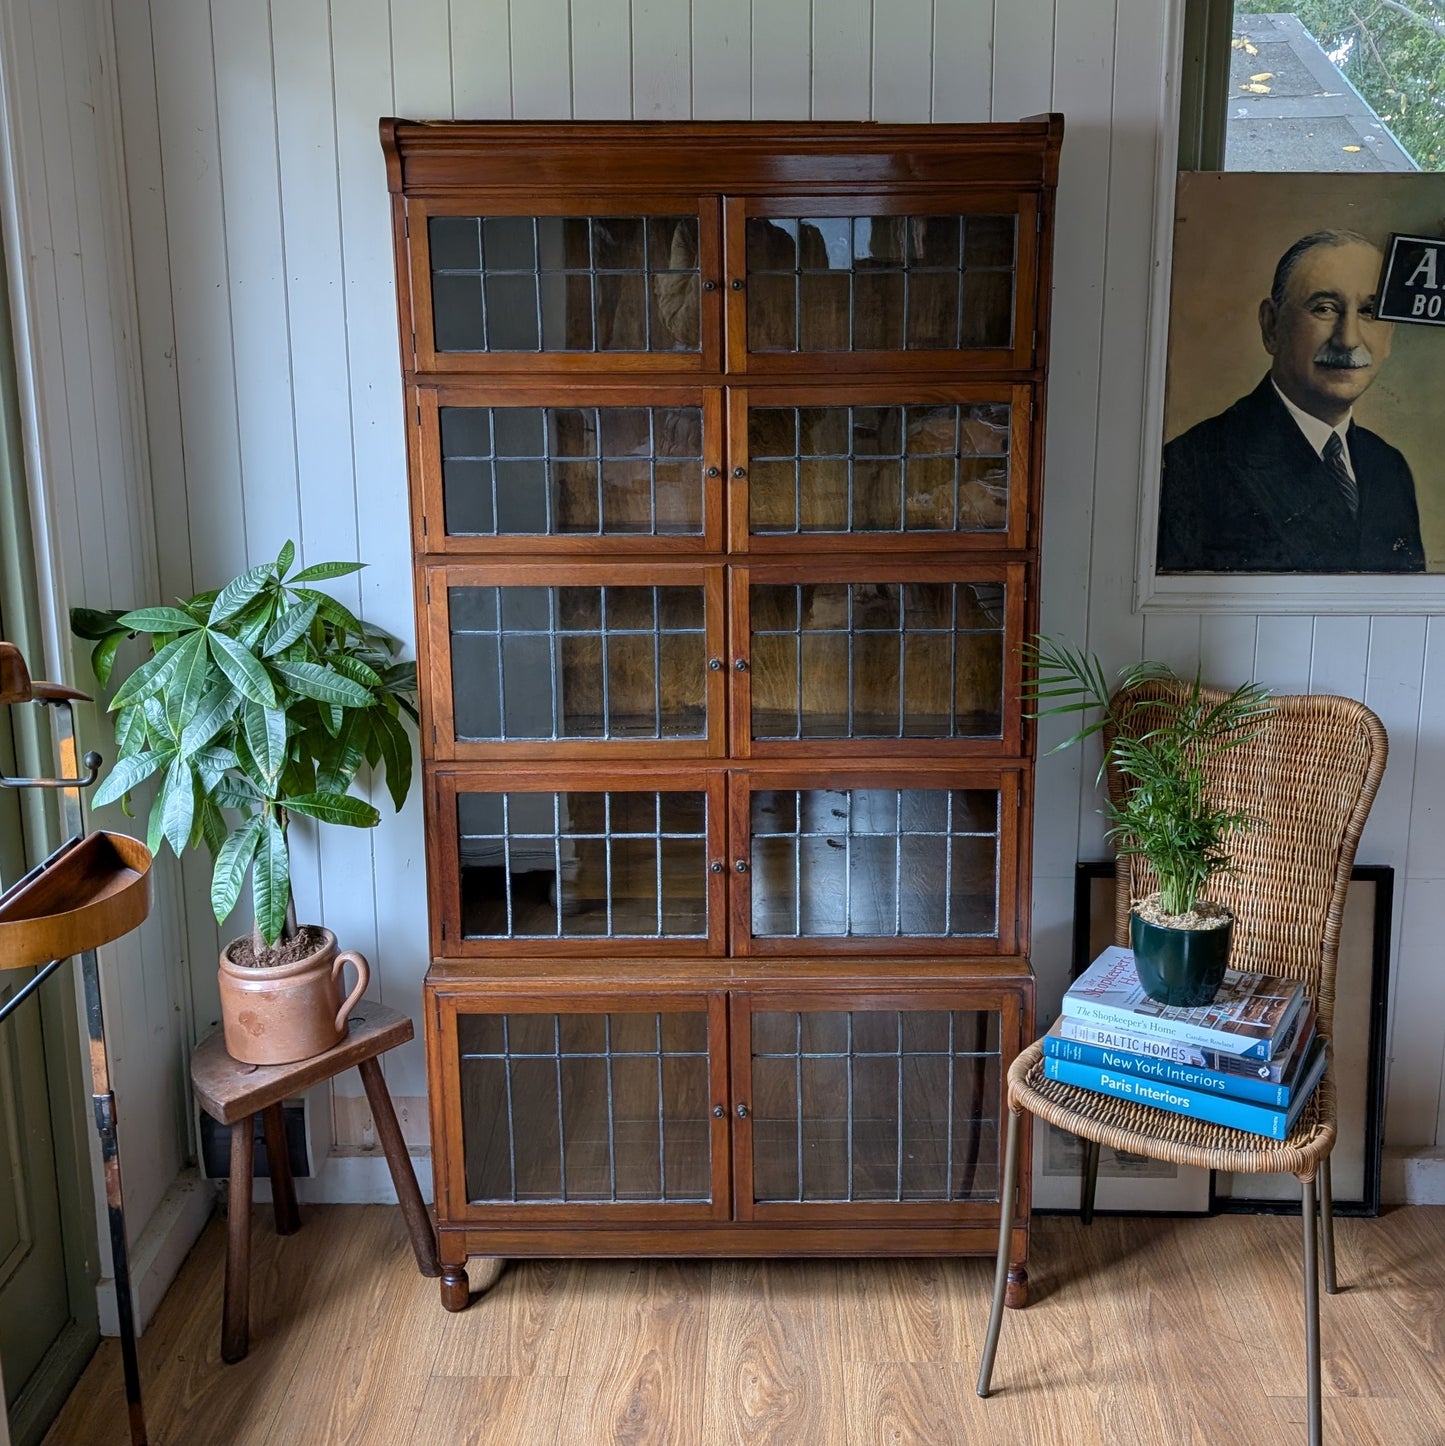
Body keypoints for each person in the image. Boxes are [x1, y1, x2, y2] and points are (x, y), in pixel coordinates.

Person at [1158, 229, 1425, 573]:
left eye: (1370, 311)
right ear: (1271, 326)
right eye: (1324, 308)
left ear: (1390, 336)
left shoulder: (1389, 466)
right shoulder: (1190, 466)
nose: (1348, 339)